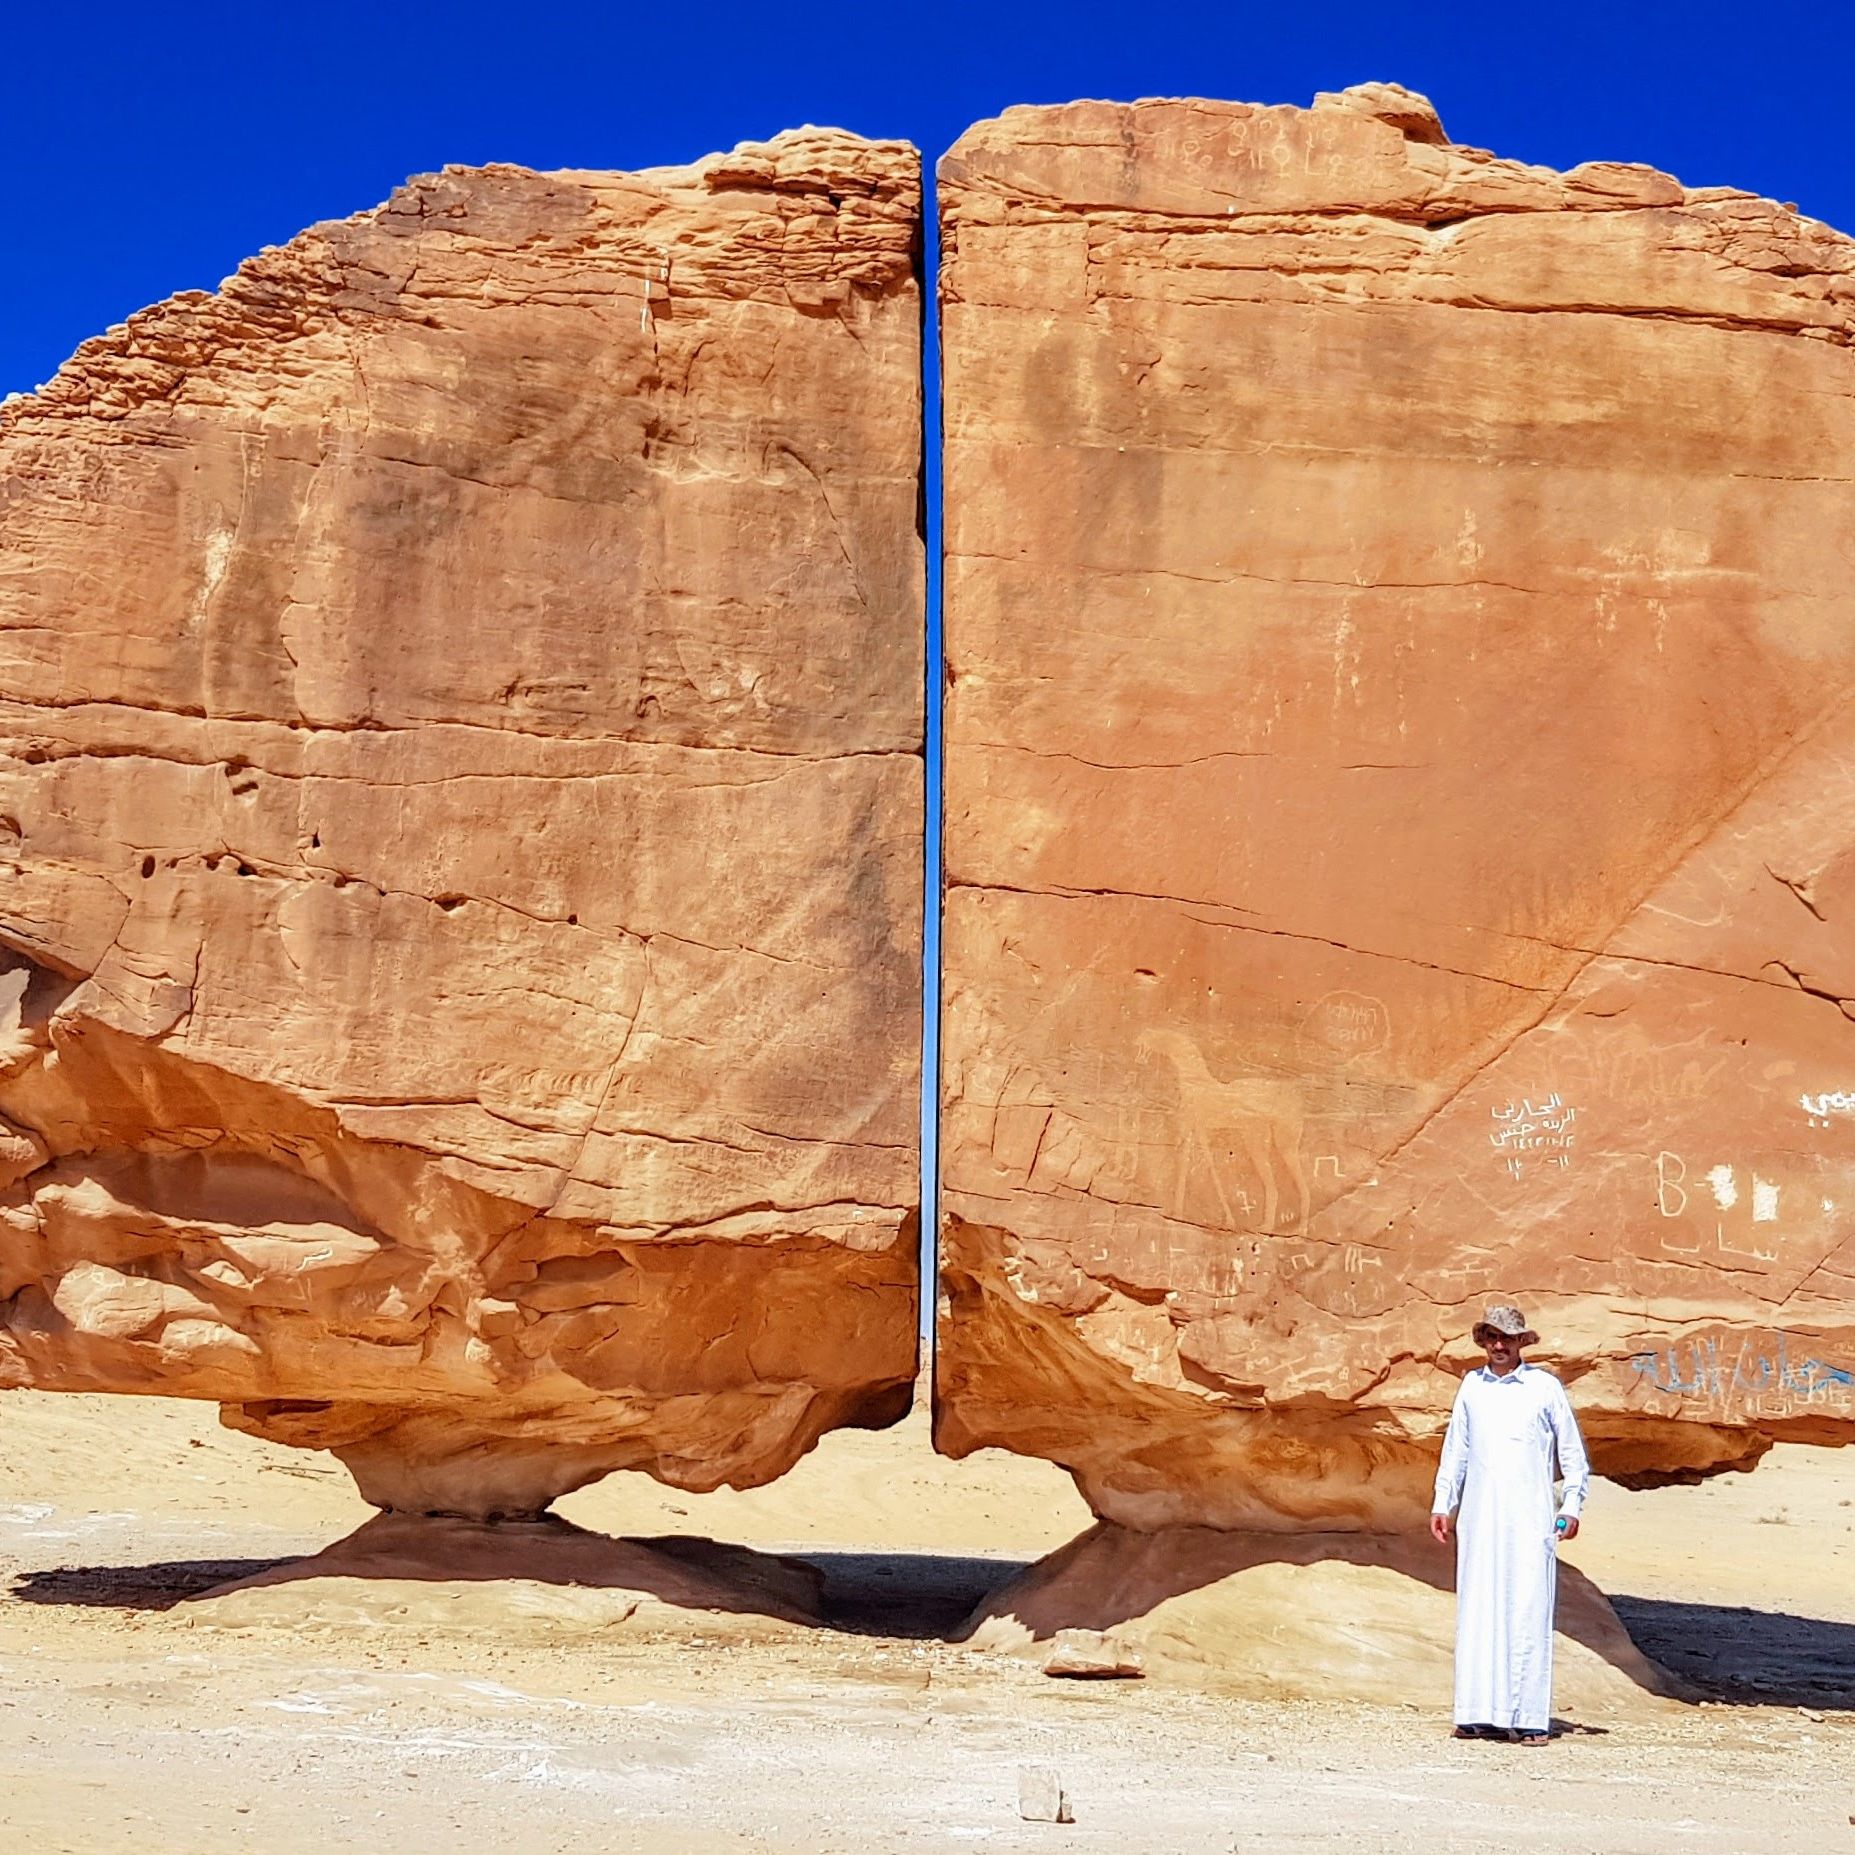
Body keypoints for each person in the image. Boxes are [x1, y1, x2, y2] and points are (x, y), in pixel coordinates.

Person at [1428, 1304, 1590, 1746]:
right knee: (1478, 1610)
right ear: (1483, 1341)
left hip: (1531, 1519)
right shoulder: (1471, 1387)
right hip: (1480, 1520)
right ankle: (1475, 1712)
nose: (1500, 1345)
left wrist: (1571, 1506)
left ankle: (1529, 1717)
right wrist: (1444, 1503)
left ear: (1522, 1342)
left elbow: (1573, 1457)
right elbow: (1456, 1450)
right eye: (1492, 1337)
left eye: (1509, 1338)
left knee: (1526, 1610)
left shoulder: (1544, 1387)